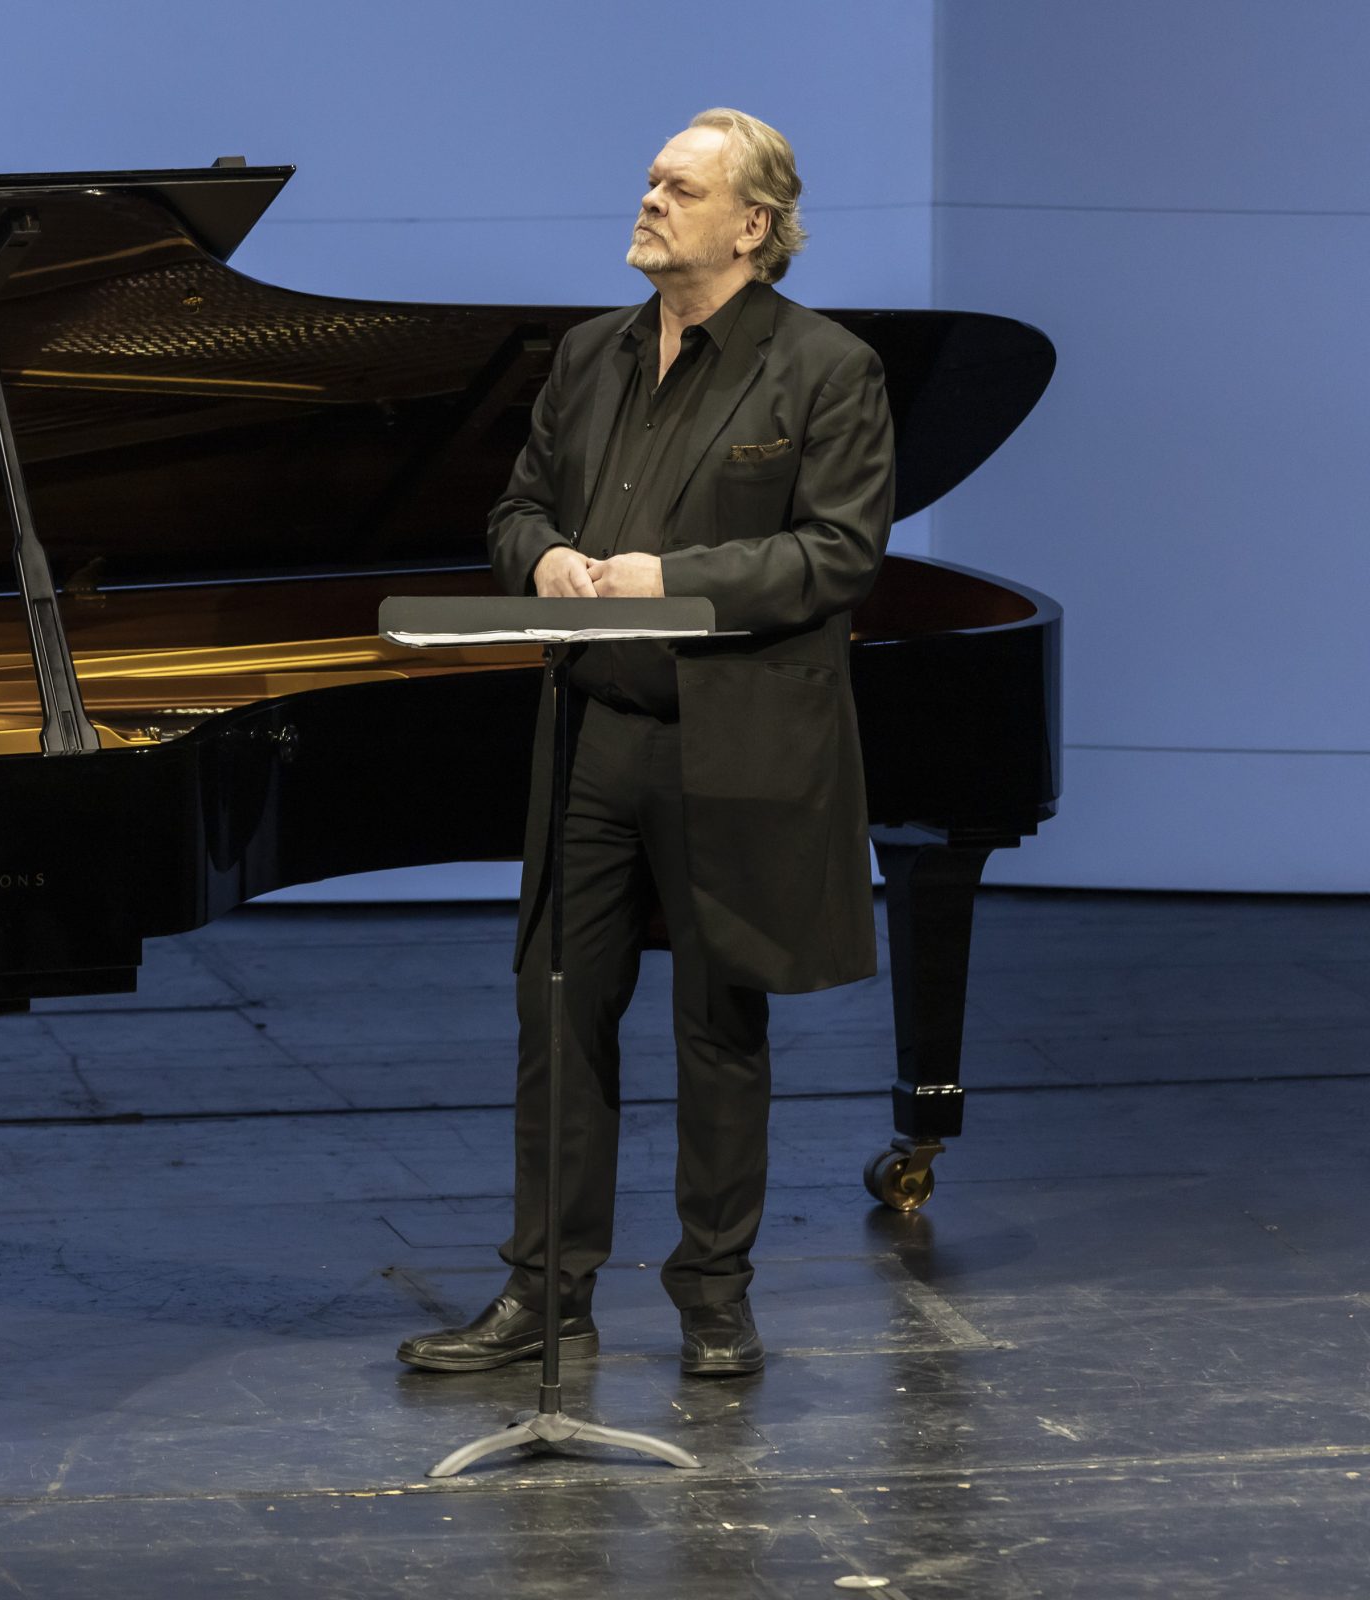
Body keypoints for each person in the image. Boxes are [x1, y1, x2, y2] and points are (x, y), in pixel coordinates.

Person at [396, 108, 895, 1380]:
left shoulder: (825, 368)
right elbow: (516, 507)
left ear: (752, 224)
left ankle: (713, 1294)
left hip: (729, 739)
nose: (651, 199)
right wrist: (546, 559)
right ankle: (544, 1293)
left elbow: (836, 552)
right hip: (592, 734)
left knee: (717, 1023)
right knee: (557, 1010)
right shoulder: (590, 353)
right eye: (651, 181)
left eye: (680, 187)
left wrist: (670, 577)